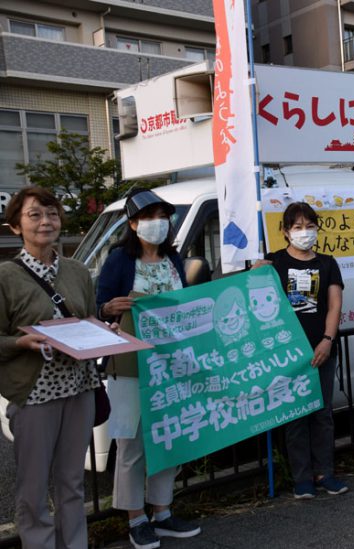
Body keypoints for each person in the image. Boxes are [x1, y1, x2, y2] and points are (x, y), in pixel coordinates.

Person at [97, 188, 201, 549]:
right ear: (133, 224)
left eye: (162, 216)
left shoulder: (174, 258)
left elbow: (184, 304)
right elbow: (100, 306)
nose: (158, 223)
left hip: (172, 363)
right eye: (149, 217)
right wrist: (110, 308)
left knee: (169, 437)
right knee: (131, 442)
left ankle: (162, 511)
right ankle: (134, 517)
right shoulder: (118, 260)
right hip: (129, 364)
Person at [0, 187, 101, 548]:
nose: (46, 222)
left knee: (72, 480)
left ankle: (74, 543)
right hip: (34, 393)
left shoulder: (76, 270)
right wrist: (19, 343)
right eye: (35, 215)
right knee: (33, 485)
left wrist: (106, 332)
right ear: (15, 227)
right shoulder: (5, 276)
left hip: (78, 387)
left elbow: (89, 318)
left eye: (52, 214)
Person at [263, 202, 348, 499]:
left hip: (322, 349)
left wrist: (327, 339)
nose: (304, 232)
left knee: (322, 413)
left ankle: (325, 472)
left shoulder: (327, 262)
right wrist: (253, 273)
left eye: (309, 226)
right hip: (286, 353)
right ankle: (302, 478)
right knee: (295, 415)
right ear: (285, 232)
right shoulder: (274, 263)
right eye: (297, 227)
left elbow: (335, 304)